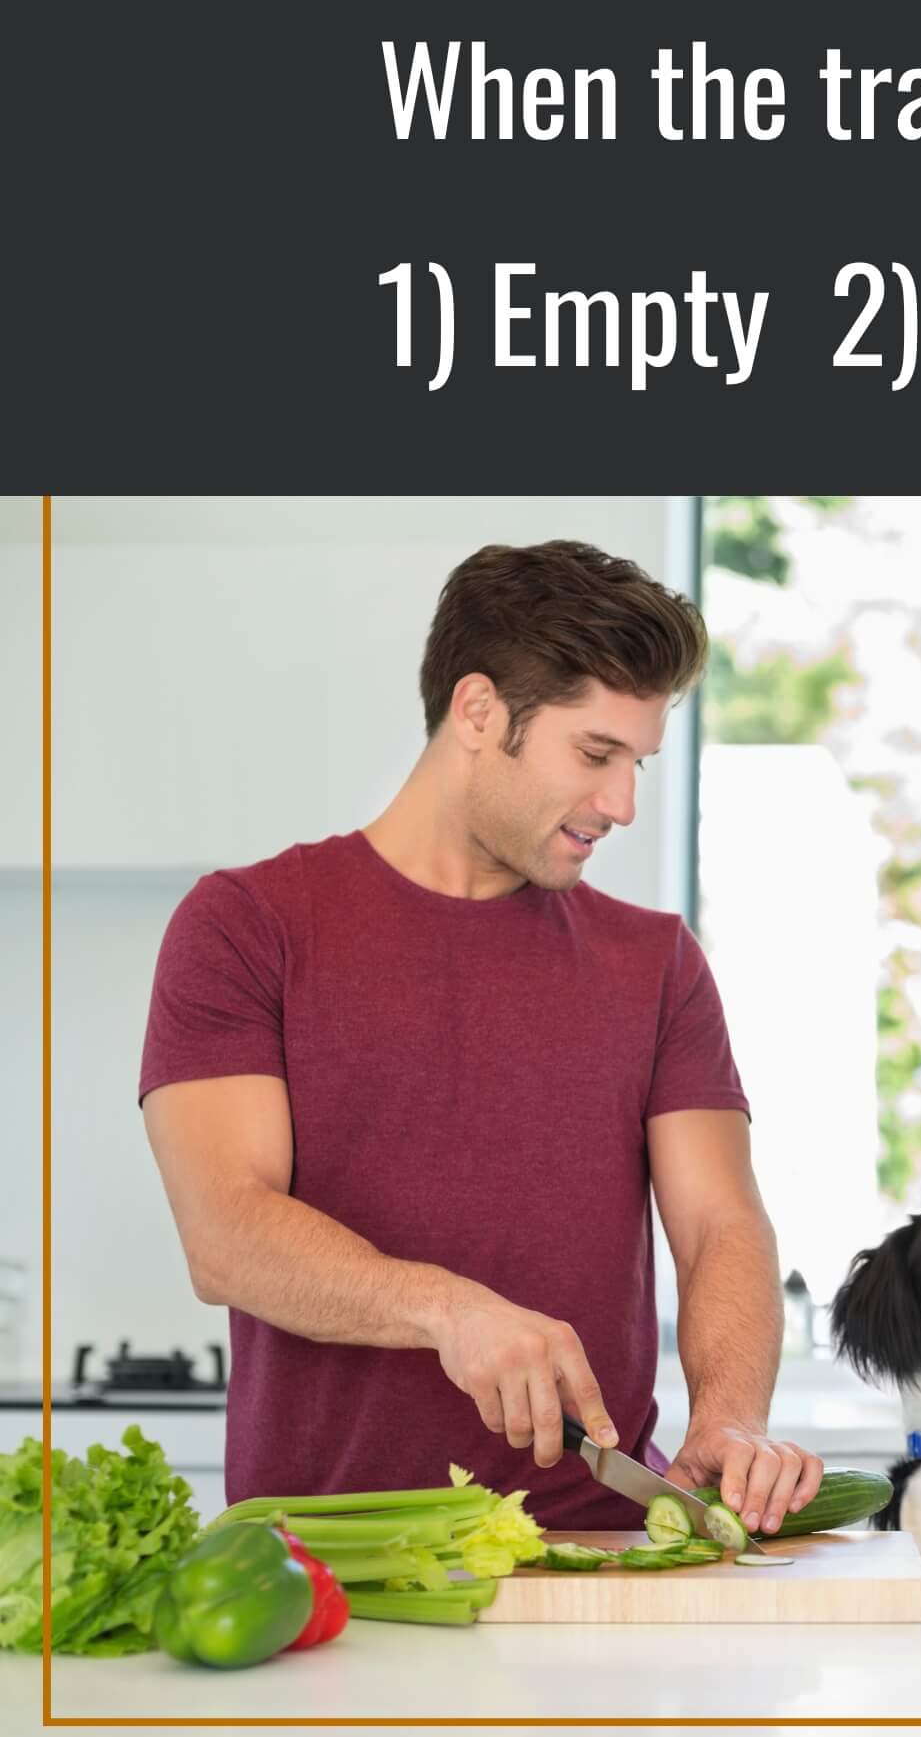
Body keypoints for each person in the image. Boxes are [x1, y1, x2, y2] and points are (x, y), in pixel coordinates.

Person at [139, 539, 824, 1537]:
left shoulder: (657, 962)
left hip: (593, 1554)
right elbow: (228, 1233)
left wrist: (727, 1418)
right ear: (477, 711)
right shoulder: (248, 925)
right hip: (326, 1571)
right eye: (594, 753)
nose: (622, 803)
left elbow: (720, 1223)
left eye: (636, 761)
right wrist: (446, 1308)